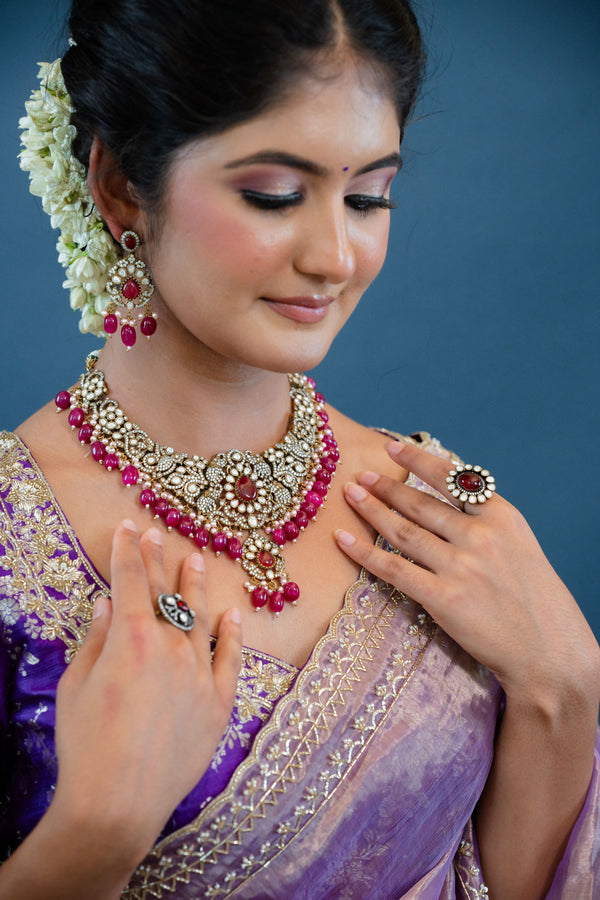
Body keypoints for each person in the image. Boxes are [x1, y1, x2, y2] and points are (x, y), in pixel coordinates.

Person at [0, 1, 598, 897]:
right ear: (121, 184)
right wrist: (95, 834)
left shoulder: (427, 509)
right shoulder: (17, 539)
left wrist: (565, 689)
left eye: (368, 198)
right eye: (275, 195)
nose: (335, 255)